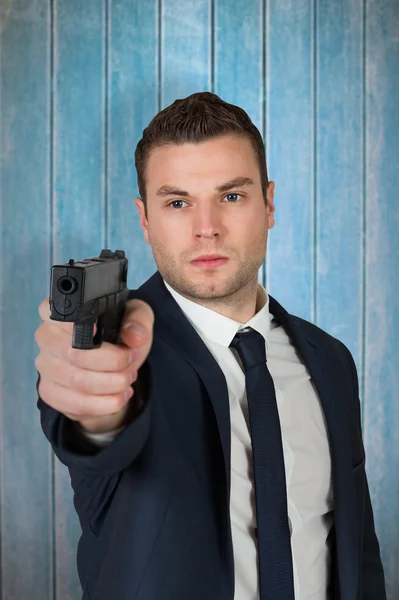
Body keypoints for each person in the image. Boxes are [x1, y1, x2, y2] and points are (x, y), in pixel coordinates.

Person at [35, 92, 386, 600]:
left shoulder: (331, 360)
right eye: (177, 202)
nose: (207, 229)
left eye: (231, 196)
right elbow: (94, 430)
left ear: (269, 204)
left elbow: (357, 550)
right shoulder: (112, 348)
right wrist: (93, 405)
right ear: (145, 218)